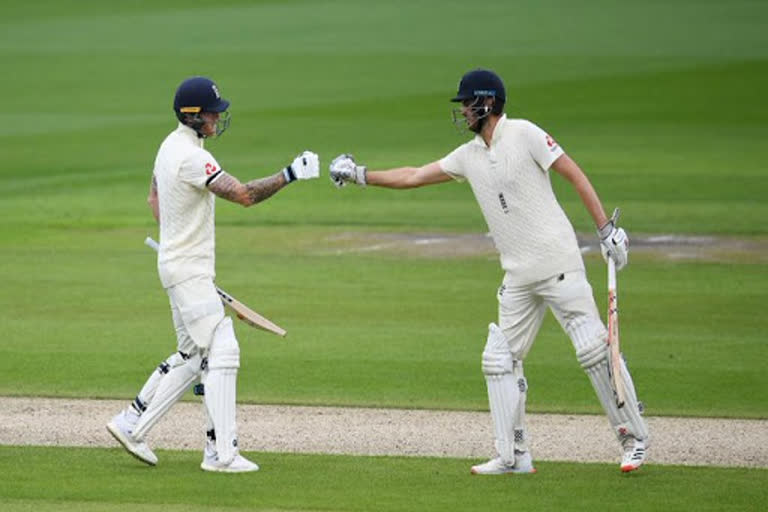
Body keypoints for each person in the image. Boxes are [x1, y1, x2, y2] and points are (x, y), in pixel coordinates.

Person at [328, 69, 649, 474]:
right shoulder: (468, 156)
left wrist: (606, 230)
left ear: (487, 103)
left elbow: (573, 173)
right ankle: (513, 456)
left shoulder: (525, 133)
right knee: (499, 359)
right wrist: (359, 174)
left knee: (592, 350)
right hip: (517, 275)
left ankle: (633, 439)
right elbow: (412, 176)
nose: (462, 110)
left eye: (467, 103)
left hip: (558, 264)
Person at [106, 76, 319, 473]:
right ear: (192, 116)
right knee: (224, 347)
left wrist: (175, 241)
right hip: (188, 270)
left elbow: (154, 197)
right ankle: (223, 455)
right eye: (211, 113)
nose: (217, 119)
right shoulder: (192, 157)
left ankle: (131, 421)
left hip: (178, 264)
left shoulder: (168, 146)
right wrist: (289, 174)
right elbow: (243, 194)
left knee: (192, 356)